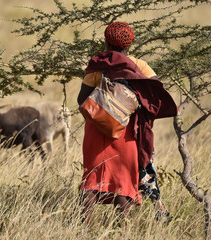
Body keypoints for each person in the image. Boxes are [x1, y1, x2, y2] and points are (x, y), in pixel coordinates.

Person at [77, 21, 177, 224]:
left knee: (92, 181)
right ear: (129, 44)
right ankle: (123, 232)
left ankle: (83, 231)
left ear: (106, 41)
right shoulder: (141, 66)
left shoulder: (98, 64)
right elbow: (155, 98)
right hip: (127, 131)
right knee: (123, 182)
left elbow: (81, 100)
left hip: (96, 129)